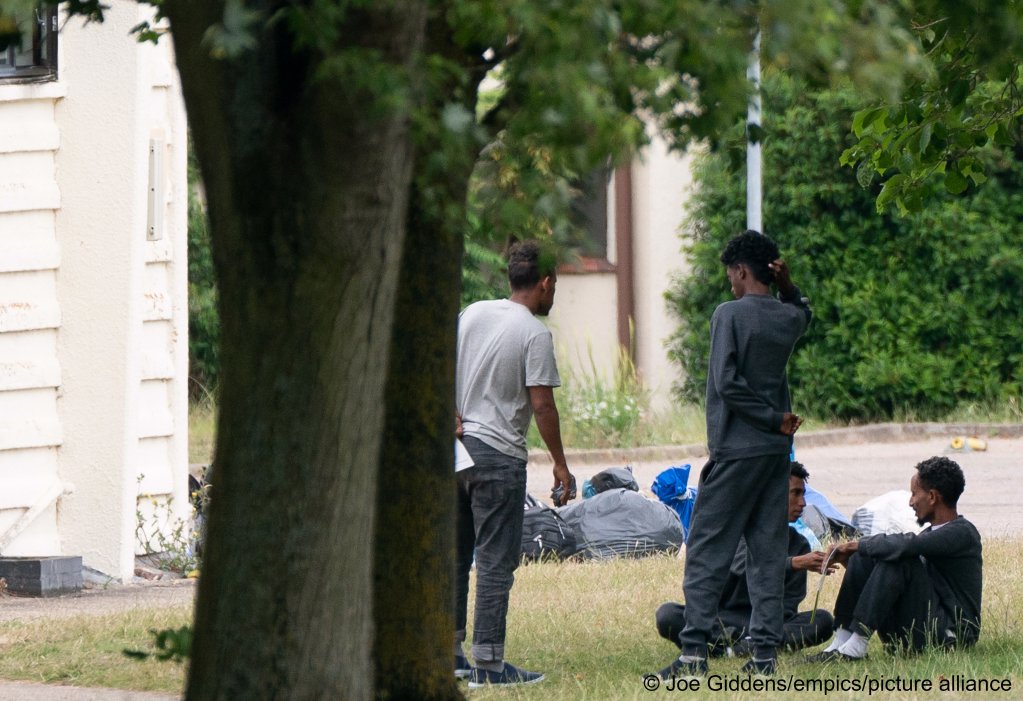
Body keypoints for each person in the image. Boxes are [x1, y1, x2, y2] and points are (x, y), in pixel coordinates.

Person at [654, 230, 812, 679]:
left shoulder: (729, 315)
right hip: (774, 456)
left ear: (742, 271)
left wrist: (768, 417)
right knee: (767, 552)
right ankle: (763, 658)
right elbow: (804, 313)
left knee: (707, 549)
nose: (730, 285)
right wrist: (789, 288)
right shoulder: (786, 318)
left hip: (737, 449)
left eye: (731, 276)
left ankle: (693, 655)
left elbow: (726, 382)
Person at [454, 240, 575, 688]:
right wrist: (560, 464)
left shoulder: (473, 313)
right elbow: (542, 406)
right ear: (544, 283)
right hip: (498, 457)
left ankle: (450, 656)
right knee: (494, 561)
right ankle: (488, 665)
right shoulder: (534, 333)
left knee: (455, 552)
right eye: (556, 284)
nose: (554, 293)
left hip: (457, 452)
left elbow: (443, 364)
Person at [807, 456, 982, 661]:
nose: (910, 502)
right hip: (919, 627)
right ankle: (842, 640)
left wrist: (857, 544)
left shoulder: (963, 532)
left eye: (914, 494)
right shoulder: (928, 535)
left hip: (951, 635)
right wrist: (856, 560)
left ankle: (856, 647)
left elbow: (907, 545)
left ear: (933, 497)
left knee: (897, 555)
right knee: (865, 555)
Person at [655, 461, 835, 656]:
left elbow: (788, 606)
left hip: (767, 623)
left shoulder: (799, 544)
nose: (803, 503)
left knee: (822, 620)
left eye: (803, 494)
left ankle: (734, 647)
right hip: (724, 619)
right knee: (668, 614)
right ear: (772, 494)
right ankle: (740, 644)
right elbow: (740, 567)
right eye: (795, 494)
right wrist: (793, 563)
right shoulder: (737, 531)